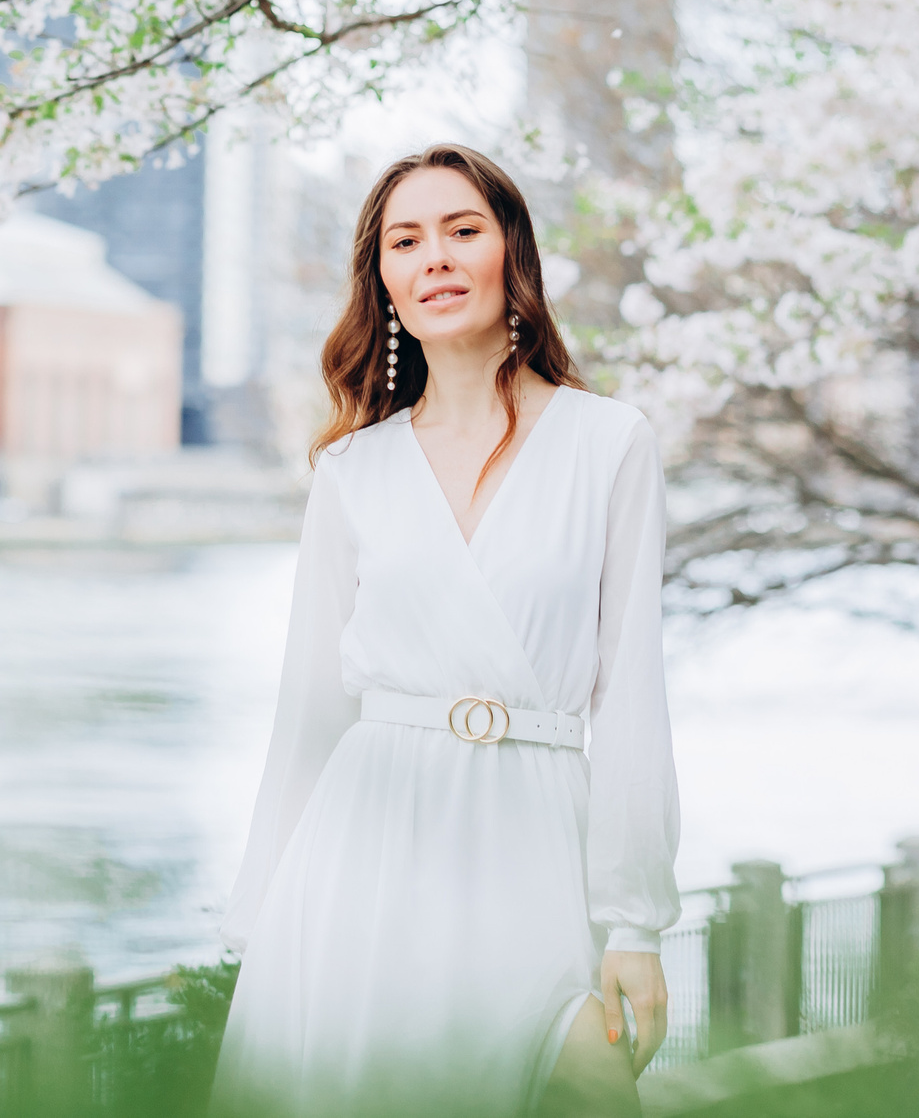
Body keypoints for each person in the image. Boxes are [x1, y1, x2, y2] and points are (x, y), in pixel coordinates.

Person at [210, 144, 679, 1118]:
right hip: (365, 846)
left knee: (593, 1087)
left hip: (533, 839)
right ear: (382, 278)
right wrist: (262, 923)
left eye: (462, 230)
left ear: (513, 252)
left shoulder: (609, 443)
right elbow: (309, 711)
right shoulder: (353, 471)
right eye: (405, 240)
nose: (434, 257)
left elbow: (632, 697)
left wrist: (634, 923)